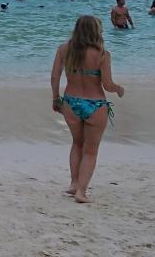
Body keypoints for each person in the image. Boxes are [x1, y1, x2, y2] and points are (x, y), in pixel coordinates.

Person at [50, 15, 125, 203]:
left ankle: (74, 183)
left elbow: (55, 76)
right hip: (95, 104)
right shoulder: (102, 54)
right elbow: (107, 85)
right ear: (96, 31)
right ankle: (81, 193)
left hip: (71, 102)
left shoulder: (64, 49)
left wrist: (56, 98)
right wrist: (118, 89)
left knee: (77, 143)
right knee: (90, 151)